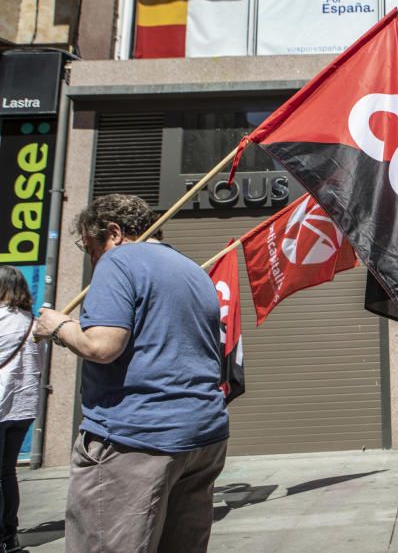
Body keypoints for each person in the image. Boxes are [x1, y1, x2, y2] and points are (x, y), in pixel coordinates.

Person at [32, 194, 228, 553]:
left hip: (135, 437)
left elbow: (102, 346)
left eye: (89, 247)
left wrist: (59, 327)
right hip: (203, 434)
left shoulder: (118, 261)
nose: (92, 259)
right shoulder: (191, 269)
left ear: (114, 231)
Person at [0, 267, 39, 553]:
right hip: (24, 407)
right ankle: (8, 536)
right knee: (7, 473)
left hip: (1, 404)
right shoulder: (33, 323)